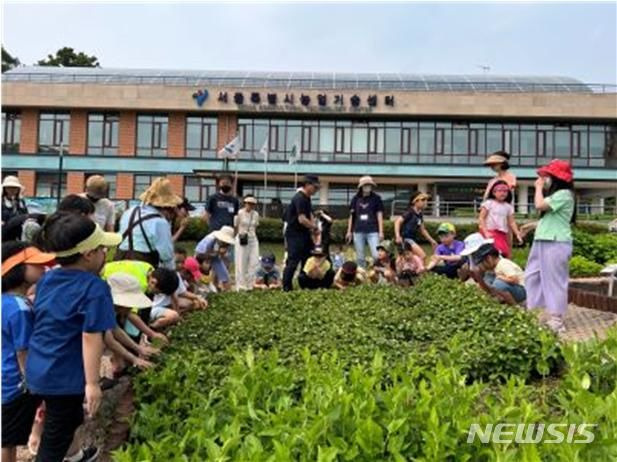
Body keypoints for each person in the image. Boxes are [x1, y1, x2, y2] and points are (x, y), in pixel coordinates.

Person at [25, 212, 121, 462]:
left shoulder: (47, 279)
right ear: (89, 254)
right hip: (64, 376)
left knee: (64, 421)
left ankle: (75, 456)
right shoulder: (95, 288)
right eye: (102, 248)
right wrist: (92, 383)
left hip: (39, 366)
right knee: (54, 440)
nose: (105, 253)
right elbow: (91, 336)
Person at [2, 242, 55, 462]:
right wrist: (33, 383)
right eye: (37, 265)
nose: (44, 269)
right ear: (18, 269)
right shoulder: (20, 309)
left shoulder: (8, 302)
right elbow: (23, 352)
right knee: (8, 441)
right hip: (15, 383)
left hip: (4, 378)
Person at [522, 160, 576, 333]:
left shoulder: (564, 194)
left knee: (555, 281)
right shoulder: (557, 196)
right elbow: (549, 220)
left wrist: (537, 188)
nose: (544, 180)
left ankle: (557, 320)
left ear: (556, 178)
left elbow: (539, 205)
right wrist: (529, 226)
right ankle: (534, 310)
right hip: (543, 241)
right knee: (531, 276)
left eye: (547, 176)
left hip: (556, 243)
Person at [101, 260, 172, 345]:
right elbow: (130, 314)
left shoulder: (149, 268)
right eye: (158, 292)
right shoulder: (139, 284)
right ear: (153, 282)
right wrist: (152, 334)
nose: (156, 294)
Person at [116, 177, 181, 269]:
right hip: (143, 266)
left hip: (120, 263)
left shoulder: (129, 212)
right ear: (167, 208)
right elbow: (166, 256)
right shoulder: (160, 222)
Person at [282, 175, 320, 291]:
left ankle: (305, 284)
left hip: (304, 234)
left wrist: (313, 230)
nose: (316, 190)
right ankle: (287, 287)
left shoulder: (307, 198)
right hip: (295, 234)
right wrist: (314, 227)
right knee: (293, 261)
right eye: (314, 187)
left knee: (307, 259)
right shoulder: (300, 198)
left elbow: (309, 215)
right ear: (307, 185)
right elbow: (302, 219)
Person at [345, 176, 384, 269]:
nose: (368, 187)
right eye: (366, 185)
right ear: (361, 187)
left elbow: (379, 215)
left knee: (376, 255)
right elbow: (352, 216)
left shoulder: (376, 198)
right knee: (360, 257)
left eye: (369, 185)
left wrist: (381, 231)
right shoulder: (355, 199)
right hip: (358, 231)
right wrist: (349, 231)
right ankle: (362, 276)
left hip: (373, 231)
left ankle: (377, 274)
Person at [479, 180, 523, 258]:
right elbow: (481, 218)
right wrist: (485, 232)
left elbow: (512, 222)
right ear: (493, 192)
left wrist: (517, 233)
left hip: (502, 234)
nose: (502, 193)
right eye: (500, 191)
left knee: (504, 254)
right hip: (490, 233)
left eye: (505, 191)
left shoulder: (508, 207)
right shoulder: (488, 203)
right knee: (492, 254)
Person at [394, 191, 438, 261]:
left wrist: (432, 241)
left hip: (411, 239)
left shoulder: (419, 214)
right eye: (423, 200)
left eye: (426, 200)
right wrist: (397, 236)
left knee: (403, 259)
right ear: (415, 201)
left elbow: (423, 230)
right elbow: (397, 222)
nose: (425, 202)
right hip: (405, 239)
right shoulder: (410, 212)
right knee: (422, 256)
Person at [195, 225, 236, 291]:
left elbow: (225, 260)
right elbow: (201, 255)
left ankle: (228, 293)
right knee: (201, 276)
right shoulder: (209, 241)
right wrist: (216, 253)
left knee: (224, 275)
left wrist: (219, 254)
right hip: (202, 257)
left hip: (214, 256)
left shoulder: (226, 244)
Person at [234, 195, 260, 291]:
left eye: (252, 204)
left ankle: (250, 284)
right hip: (242, 238)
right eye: (248, 203)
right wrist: (237, 237)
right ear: (245, 203)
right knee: (241, 262)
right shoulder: (240, 213)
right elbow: (236, 226)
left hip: (253, 239)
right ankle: (241, 285)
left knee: (254, 261)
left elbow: (255, 227)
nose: (250, 205)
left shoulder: (256, 214)